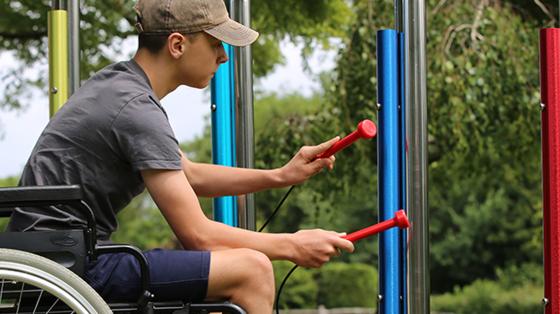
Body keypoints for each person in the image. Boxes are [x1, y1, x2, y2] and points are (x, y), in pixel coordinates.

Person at [7, 0, 354, 312]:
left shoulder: (120, 86)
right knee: (253, 270)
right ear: (177, 44)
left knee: (229, 272)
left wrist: (281, 175)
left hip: (59, 254)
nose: (224, 56)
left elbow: (189, 174)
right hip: (68, 264)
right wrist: (291, 245)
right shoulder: (135, 108)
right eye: (217, 44)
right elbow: (199, 237)